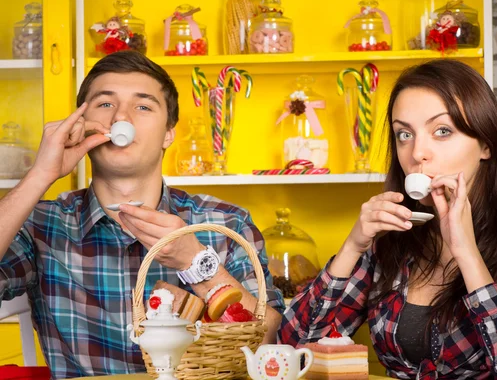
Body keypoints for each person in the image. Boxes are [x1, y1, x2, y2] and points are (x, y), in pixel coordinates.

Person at [278, 59, 497, 379]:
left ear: (486, 144)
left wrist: (467, 254)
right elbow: (294, 348)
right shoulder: (392, 239)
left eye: (442, 131)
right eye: (404, 134)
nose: (417, 151)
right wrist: (353, 246)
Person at [0, 50, 284, 379]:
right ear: (81, 125)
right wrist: (41, 175)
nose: (121, 117)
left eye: (143, 106)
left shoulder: (226, 223)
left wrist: (197, 264)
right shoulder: (41, 225)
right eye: (105, 104)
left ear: (168, 134)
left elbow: (272, 344)